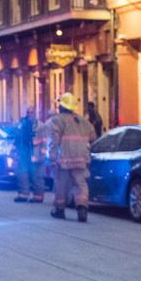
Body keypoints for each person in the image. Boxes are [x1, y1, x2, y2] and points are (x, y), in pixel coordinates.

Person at [46, 92, 95, 221]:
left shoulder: (56, 121)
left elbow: (53, 142)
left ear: (61, 106)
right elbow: (93, 137)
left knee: (61, 184)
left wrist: (51, 158)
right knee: (81, 184)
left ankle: (59, 209)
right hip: (81, 159)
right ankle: (82, 208)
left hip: (64, 159)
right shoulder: (83, 122)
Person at [13, 107, 46, 203]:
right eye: (28, 112)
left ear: (35, 113)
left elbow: (44, 141)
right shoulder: (22, 124)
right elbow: (18, 138)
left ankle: (38, 196)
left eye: (31, 112)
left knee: (37, 176)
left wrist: (42, 154)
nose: (30, 114)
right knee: (22, 174)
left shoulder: (41, 126)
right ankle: (23, 195)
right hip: (24, 153)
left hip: (36, 154)